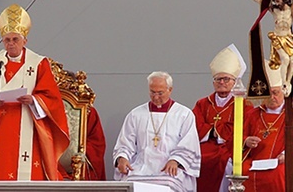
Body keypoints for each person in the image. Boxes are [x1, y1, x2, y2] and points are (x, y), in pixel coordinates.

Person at [0, 4, 69, 180]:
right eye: (7, 40)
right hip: (0, 125)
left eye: (15, 39)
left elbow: (52, 97)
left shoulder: (38, 63)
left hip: (29, 125)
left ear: (25, 41)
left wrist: (34, 100)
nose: (11, 44)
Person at [113, 71, 201, 192]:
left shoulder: (184, 114)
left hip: (169, 168)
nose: (155, 97)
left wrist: (176, 160)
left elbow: (189, 144)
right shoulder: (136, 114)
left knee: (170, 184)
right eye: (152, 92)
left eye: (160, 93)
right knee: (130, 184)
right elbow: (126, 142)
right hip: (141, 167)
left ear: (170, 90)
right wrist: (122, 158)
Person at [192, 45, 254, 192]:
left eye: (226, 79)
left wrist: (214, 130)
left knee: (224, 163)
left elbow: (243, 129)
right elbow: (195, 124)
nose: (222, 83)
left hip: (228, 148)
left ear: (235, 82)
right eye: (218, 79)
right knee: (195, 161)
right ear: (213, 82)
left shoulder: (244, 104)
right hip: (203, 147)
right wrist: (213, 131)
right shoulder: (202, 103)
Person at [238, 0, 293, 96]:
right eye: (275, 1)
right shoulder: (274, 10)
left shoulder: (291, 11)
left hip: (288, 38)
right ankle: (283, 83)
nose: (277, 4)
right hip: (278, 38)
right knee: (285, 59)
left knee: (292, 61)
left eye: (278, 1)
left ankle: (288, 82)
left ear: (284, 0)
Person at [241, 60, 285, 192]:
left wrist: (286, 155)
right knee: (243, 170)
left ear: (283, 91)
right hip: (254, 161)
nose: (272, 97)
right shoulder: (253, 114)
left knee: (278, 174)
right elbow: (237, 137)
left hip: (281, 161)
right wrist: (246, 141)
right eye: (268, 93)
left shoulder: (289, 114)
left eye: (276, 93)